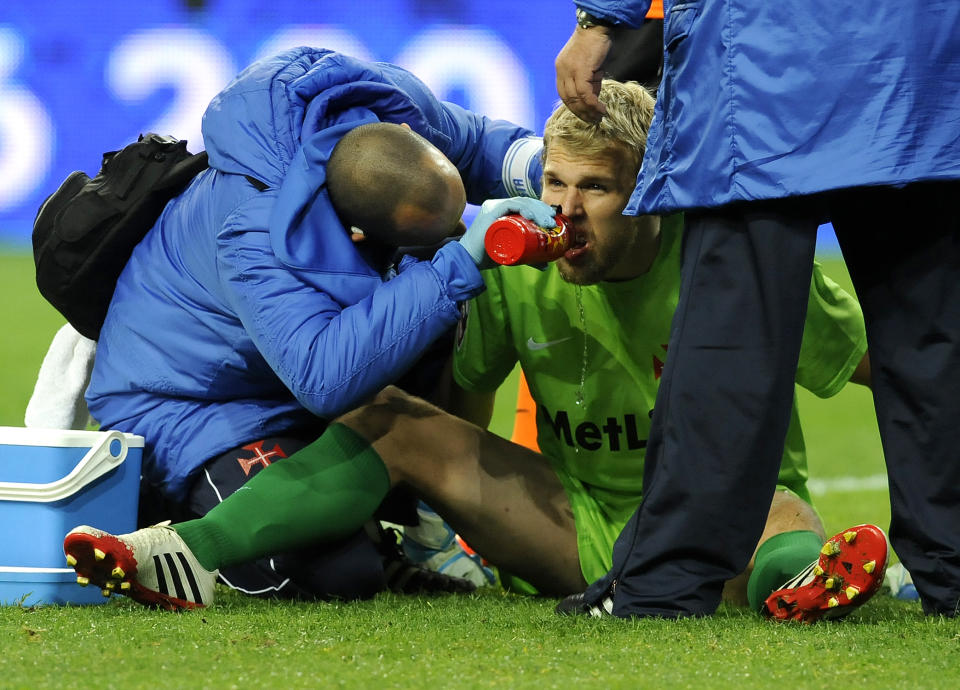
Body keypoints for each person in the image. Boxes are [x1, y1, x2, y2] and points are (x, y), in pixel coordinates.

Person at [64, 80, 888, 622]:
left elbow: (868, 363)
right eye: (554, 184)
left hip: (718, 517)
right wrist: (447, 524)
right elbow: (462, 407)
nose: (564, 211)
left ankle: (803, 580)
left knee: (779, 513)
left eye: (595, 189)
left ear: (654, 190)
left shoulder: (730, 267)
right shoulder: (519, 270)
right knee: (391, 416)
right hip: (576, 521)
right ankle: (181, 554)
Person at [80, 46, 556, 602]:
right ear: (355, 231)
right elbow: (324, 378)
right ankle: (163, 502)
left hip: (272, 379)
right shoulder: (255, 232)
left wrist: (554, 170)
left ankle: (423, 517)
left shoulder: (385, 106)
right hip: (192, 405)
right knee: (337, 576)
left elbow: (476, 143)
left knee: (437, 302)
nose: (456, 229)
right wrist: (454, 264)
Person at [554, 2, 960, 618]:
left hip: (766, 63)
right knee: (931, 338)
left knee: (731, 346)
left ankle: (664, 585)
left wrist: (599, 20)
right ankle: (952, 569)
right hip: (915, 60)